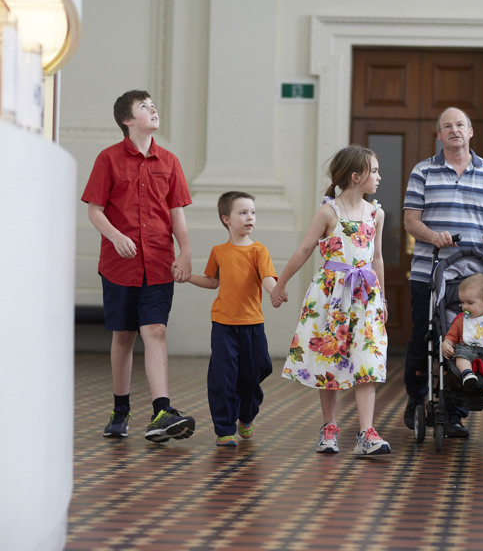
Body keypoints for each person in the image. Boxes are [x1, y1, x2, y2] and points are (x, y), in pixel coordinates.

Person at [81, 89, 195, 443]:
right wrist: (116, 236)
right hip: (119, 265)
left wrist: (185, 251)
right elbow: (95, 210)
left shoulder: (170, 162)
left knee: (155, 330)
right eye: (145, 107)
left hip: (159, 262)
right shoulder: (108, 159)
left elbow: (176, 212)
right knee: (124, 335)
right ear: (127, 120)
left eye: (153, 105)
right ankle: (120, 409)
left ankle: (162, 410)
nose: (153, 110)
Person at [403, 106, 483, 438]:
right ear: (439, 135)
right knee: (422, 339)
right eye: (447, 126)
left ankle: (454, 411)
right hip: (429, 272)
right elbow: (411, 220)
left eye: (460, 125)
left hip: (474, 280)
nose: (454, 130)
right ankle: (417, 399)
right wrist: (432, 236)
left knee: (471, 340)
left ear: (470, 132)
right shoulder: (423, 171)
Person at [270, 145, 390, 456]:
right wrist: (280, 285)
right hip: (331, 296)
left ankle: (366, 433)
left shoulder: (376, 214)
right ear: (356, 176)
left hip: (365, 296)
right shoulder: (328, 212)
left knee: (367, 360)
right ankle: (329, 427)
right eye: (375, 171)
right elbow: (304, 250)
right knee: (329, 359)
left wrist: (382, 299)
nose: (379, 177)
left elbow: (377, 257)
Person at [179, 191, 277, 446]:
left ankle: (247, 414)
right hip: (223, 324)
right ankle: (224, 428)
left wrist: (275, 291)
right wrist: (187, 277)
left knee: (256, 371)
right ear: (226, 219)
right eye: (243, 212)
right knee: (223, 376)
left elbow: (267, 278)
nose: (250, 217)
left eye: (252, 212)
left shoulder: (259, 250)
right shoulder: (219, 251)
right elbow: (213, 281)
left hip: (252, 324)